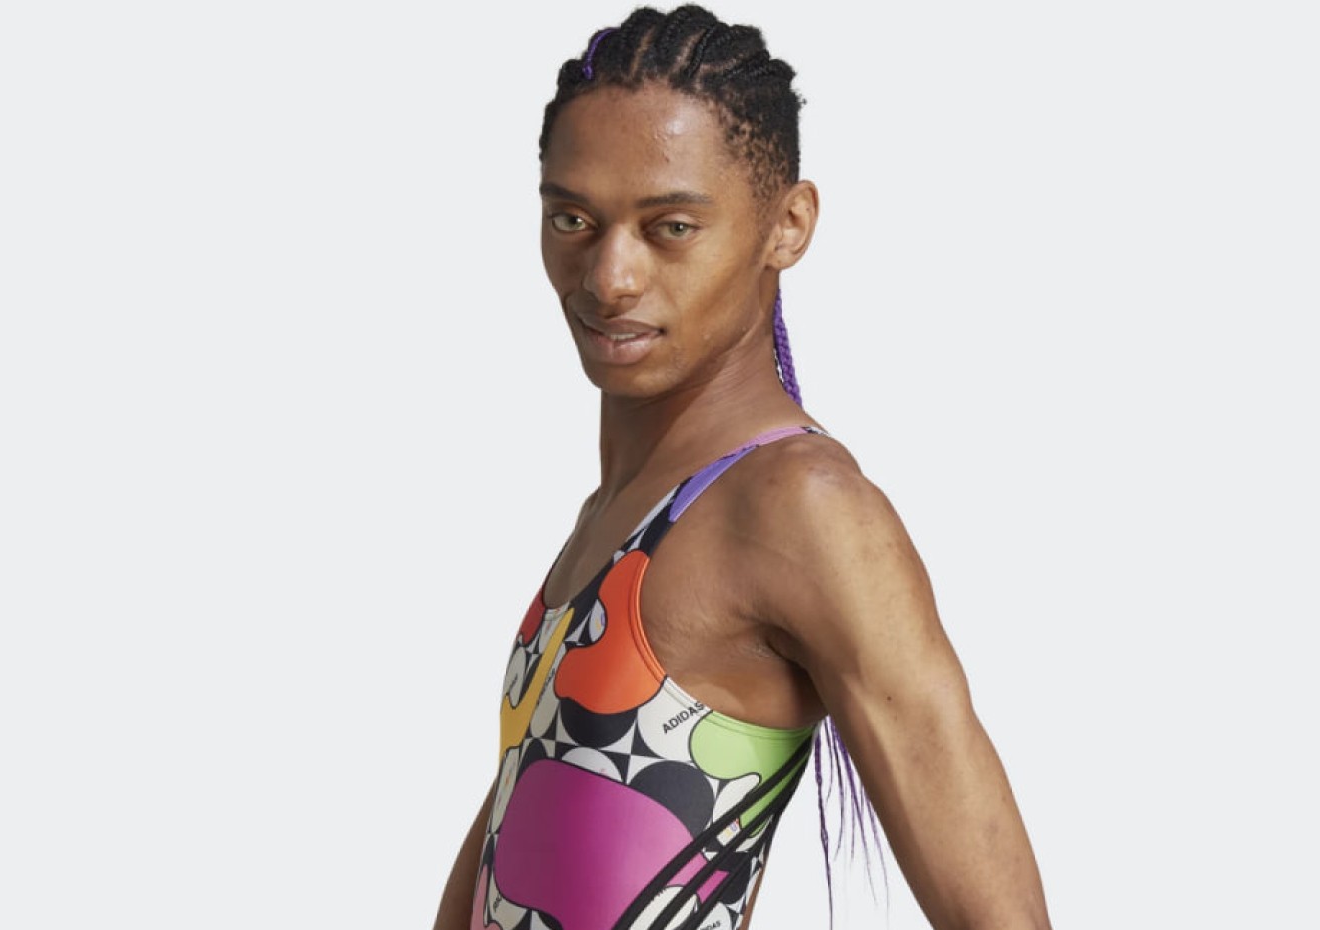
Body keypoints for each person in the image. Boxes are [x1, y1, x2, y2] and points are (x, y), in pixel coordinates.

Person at [432, 6, 1051, 929]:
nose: (608, 277)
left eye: (671, 226)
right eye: (573, 219)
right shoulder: (618, 511)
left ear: (787, 225)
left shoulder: (805, 508)